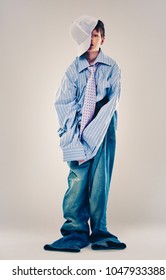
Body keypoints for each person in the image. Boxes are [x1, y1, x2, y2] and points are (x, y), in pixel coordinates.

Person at [44, 15, 126, 252]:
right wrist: (72, 137)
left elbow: (112, 103)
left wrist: (93, 135)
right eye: (88, 35)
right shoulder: (73, 69)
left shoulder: (112, 67)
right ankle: (74, 230)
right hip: (78, 128)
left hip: (103, 127)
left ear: (103, 39)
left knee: (100, 180)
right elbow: (63, 103)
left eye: (96, 35)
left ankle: (99, 231)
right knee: (77, 179)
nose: (92, 40)